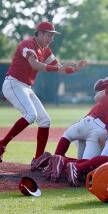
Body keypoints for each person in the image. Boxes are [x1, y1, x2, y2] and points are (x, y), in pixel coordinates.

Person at [0, 21, 86, 163]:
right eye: (48, 35)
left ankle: (38, 159)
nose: (51, 39)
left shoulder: (46, 50)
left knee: (45, 120)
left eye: (52, 36)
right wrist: (60, 68)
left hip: (25, 87)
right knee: (31, 115)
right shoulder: (27, 44)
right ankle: (2, 144)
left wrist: (75, 69)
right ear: (39, 33)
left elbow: (59, 68)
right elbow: (35, 64)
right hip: (13, 83)